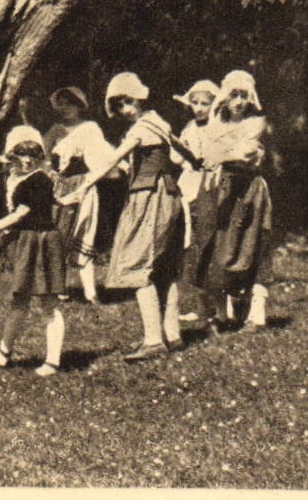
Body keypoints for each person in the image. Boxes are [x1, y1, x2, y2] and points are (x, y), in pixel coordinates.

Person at [68, 72, 188, 361]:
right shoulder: (160, 123)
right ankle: (173, 335)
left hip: (149, 197)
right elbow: (184, 153)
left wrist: (83, 186)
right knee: (165, 268)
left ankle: (153, 340)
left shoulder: (141, 128)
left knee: (136, 261)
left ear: (140, 98)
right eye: (119, 105)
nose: (124, 109)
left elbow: (111, 159)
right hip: (171, 196)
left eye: (127, 101)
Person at [0, 126, 70, 377]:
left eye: (33, 154)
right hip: (22, 242)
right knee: (19, 300)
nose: (26, 159)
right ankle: (3, 354)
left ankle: (53, 360)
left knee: (49, 301)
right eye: (21, 153)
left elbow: (20, 213)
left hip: (41, 242)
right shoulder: (11, 177)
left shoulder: (40, 180)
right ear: (11, 153)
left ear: (40, 156)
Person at [196, 70, 276, 334]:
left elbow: (246, 152)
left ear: (251, 98)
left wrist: (220, 156)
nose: (239, 101)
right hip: (221, 191)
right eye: (234, 95)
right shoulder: (216, 124)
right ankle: (221, 314)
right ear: (225, 98)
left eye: (244, 96)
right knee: (218, 249)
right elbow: (206, 151)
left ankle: (257, 316)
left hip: (249, 191)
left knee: (253, 248)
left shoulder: (255, 123)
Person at [44, 86, 115, 305]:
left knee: (85, 233)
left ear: (79, 105)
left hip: (84, 184)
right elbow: (43, 156)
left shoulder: (90, 128)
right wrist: (51, 174)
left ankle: (90, 292)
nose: (65, 108)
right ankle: (59, 289)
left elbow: (102, 159)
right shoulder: (55, 130)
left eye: (70, 103)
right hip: (62, 187)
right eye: (61, 104)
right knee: (60, 234)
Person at [171, 80, 220, 321]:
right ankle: (194, 303)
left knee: (208, 241)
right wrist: (187, 159)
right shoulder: (190, 127)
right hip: (190, 182)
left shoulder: (219, 126)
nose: (199, 108)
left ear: (215, 104)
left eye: (205, 103)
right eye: (195, 103)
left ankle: (213, 306)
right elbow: (175, 154)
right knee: (188, 242)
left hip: (212, 183)